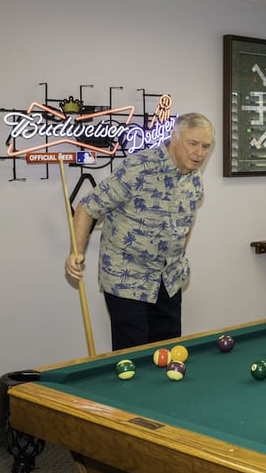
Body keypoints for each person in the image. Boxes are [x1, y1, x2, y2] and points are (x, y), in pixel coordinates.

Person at [65, 112, 215, 351]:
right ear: (175, 139)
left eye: (206, 146)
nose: (199, 153)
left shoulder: (194, 178)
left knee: (168, 354)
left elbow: (185, 223)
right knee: (133, 359)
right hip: (127, 277)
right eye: (193, 144)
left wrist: (174, 255)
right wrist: (76, 252)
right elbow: (87, 207)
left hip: (169, 279)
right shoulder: (139, 167)